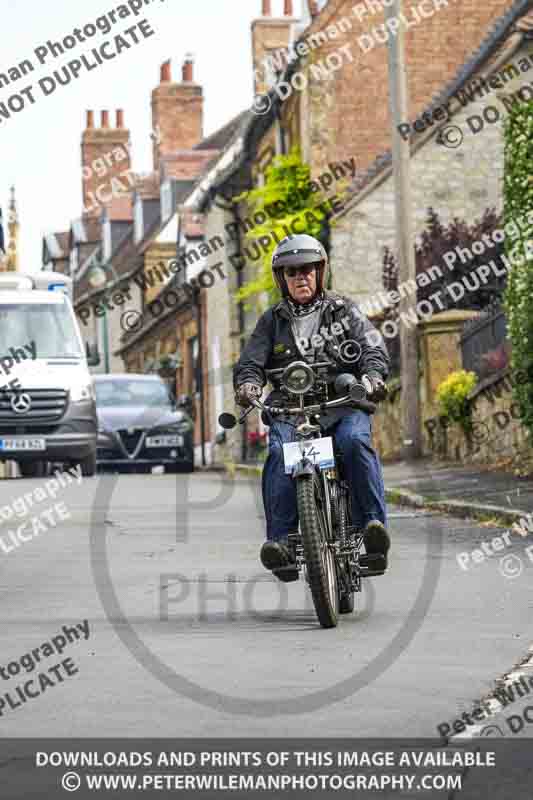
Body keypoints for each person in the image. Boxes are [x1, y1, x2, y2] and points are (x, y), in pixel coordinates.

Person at [233, 233, 391, 580]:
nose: (300, 276)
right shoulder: (270, 321)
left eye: (307, 269)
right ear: (282, 279)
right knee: (279, 453)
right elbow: (250, 364)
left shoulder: (344, 309)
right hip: (292, 409)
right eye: (291, 272)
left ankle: (372, 528)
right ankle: (282, 543)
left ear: (320, 272)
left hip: (342, 404)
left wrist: (373, 376)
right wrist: (248, 385)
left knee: (354, 442)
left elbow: (373, 348)